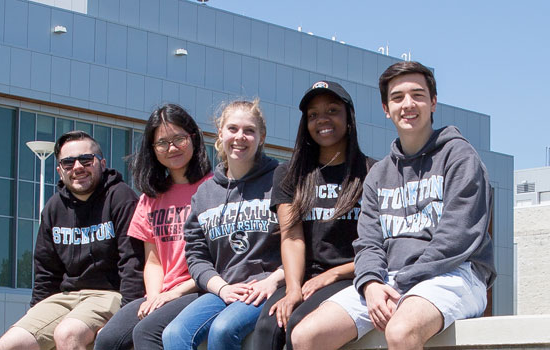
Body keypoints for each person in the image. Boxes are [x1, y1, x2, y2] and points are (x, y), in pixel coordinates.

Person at [292, 61, 496, 350]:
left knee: (400, 331)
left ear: (433, 102)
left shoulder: (459, 157)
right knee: (306, 336)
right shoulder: (379, 173)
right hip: (389, 279)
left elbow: (457, 239)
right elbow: (368, 243)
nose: (408, 104)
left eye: (417, 95)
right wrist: (371, 284)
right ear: (386, 109)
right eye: (397, 98)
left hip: (455, 273)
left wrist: (400, 284)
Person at [251, 81, 374, 350]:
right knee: (267, 327)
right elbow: (291, 236)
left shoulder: (372, 172)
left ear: (349, 117)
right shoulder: (289, 174)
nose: (322, 120)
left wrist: (335, 274)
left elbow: (382, 246)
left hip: (350, 276)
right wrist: (293, 288)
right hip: (304, 276)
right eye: (313, 115)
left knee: (298, 323)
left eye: (332, 110)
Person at [0, 131, 144, 350]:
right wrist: (38, 312)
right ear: (60, 170)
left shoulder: (121, 197)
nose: (77, 167)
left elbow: (133, 262)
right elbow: (46, 271)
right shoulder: (54, 207)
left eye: (86, 160)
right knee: (11, 343)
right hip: (66, 297)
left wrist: (126, 318)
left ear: (102, 163)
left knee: (67, 334)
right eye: (68, 162)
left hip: (110, 294)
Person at [162, 99, 285, 350]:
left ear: (261, 137)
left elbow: (300, 240)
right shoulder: (205, 193)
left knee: (223, 330)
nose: (240, 137)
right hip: (224, 288)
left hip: (266, 286)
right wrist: (222, 288)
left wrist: (274, 280)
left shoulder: (281, 180)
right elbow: (196, 256)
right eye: (233, 129)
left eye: (249, 130)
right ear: (220, 134)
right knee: (174, 334)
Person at [95, 104, 212, 350]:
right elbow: (154, 260)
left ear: (193, 138)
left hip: (200, 288)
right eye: (162, 143)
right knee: (106, 339)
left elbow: (219, 259)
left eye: (179, 139)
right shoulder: (151, 197)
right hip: (163, 292)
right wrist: (155, 296)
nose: (172, 148)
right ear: (152, 149)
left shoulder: (213, 188)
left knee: (147, 332)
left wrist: (174, 294)